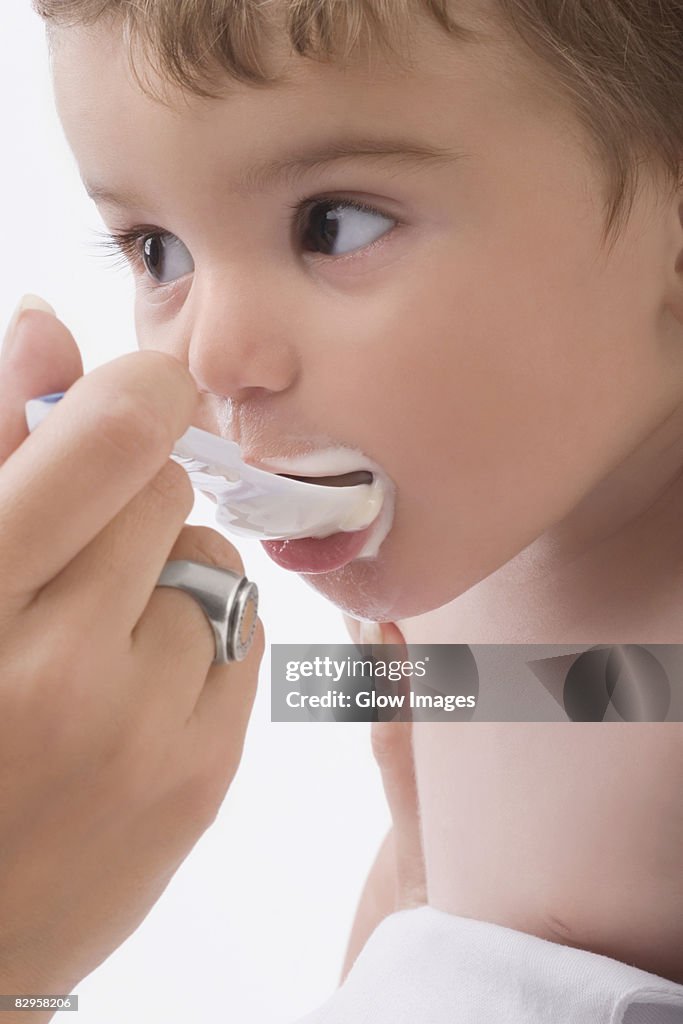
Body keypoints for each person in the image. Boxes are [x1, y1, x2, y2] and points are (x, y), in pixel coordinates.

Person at [1, 0, 682, 1019]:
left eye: (333, 224)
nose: (209, 361)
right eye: (157, 253)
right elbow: (428, 905)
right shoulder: (446, 640)